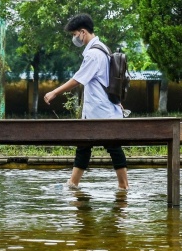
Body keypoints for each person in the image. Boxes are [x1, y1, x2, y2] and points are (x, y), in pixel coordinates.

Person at [43, 13, 129, 190]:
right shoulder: (103, 48)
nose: (75, 38)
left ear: (83, 32)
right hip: (100, 111)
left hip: (100, 112)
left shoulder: (93, 54)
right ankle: (73, 183)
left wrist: (54, 92)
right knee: (84, 146)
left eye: (75, 34)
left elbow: (77, 80)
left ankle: (124, 186)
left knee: (112, 147)